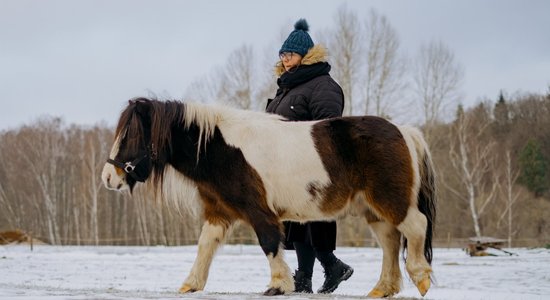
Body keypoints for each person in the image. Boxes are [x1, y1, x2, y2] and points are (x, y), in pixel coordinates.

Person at [265, 18, 353, 294]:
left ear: (306, 55)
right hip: (286, 166)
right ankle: (317, 273)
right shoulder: (288, 86)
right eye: (282, 54)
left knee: (310, 222)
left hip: (313, 166)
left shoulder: (322, 86)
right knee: (296, 223)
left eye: (289, 54)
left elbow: (328, 127)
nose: (285, 58)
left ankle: (321, 270)